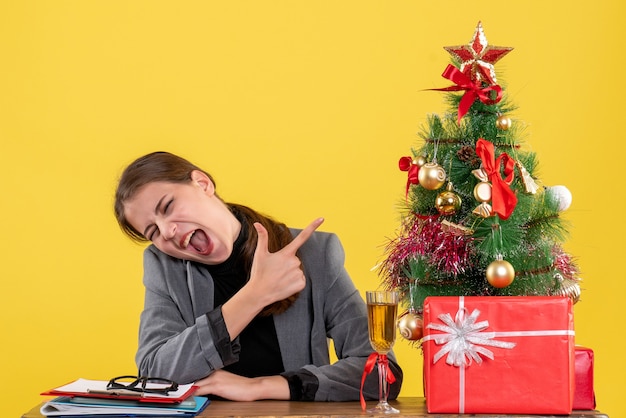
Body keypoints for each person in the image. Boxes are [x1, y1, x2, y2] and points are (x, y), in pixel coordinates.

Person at [113, 151, 403, 402]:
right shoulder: (165, 267)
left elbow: (382, 372)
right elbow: (155, 375)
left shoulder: (315, 254)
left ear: (202, 184)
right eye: (152, 232)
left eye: (167, 207)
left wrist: (260, 387)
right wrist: (255, 295)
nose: (166, 232)